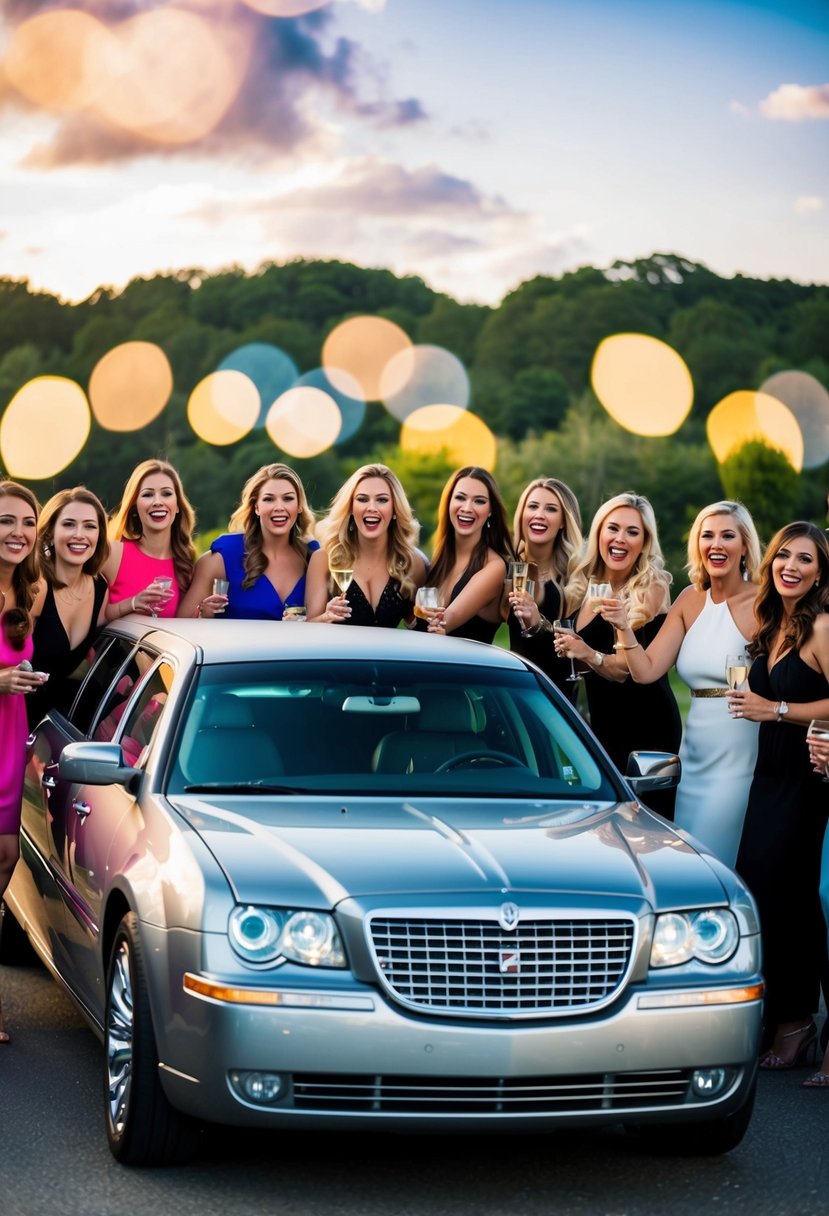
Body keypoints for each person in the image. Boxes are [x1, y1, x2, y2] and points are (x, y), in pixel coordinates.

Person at [599, 500, 761, 861]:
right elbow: (646, 670)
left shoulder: (763, 602)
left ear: (745, 546)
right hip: (694, 755)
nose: (716, 544)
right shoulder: (689, 599)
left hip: (741, 753)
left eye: (727, 536)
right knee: (689, 857)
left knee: (716, 858)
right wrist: (624, 626)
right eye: (707, 535)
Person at [729, 522, 829, 1071]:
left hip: (806, 779)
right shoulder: (776, 625)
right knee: (762, 891)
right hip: (767, 775)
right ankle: (781, 1016)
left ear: (820, 573)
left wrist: (776, 710)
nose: (791, 565)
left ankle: (797, 1023)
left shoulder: (822, 628)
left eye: (806, 560)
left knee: (791, 900)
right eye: (784, 555)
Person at [551, 492, 681, 815]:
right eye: (613, 528)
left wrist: (587, 653)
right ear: (599, 534)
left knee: (645, 824)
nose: (620, 539)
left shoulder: (652, 587)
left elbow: (624, 669)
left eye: (632, 532)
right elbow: (581, 659)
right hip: (602, 718)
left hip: (646, 722)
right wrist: (570, 650)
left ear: (644, 542)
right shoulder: (583, 585)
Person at [0, 481, 46, 1044]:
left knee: (6, 859)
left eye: (26, 522)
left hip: (11, 742)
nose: (18, 532)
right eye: (5, 521)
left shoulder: (30, 591)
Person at [179, 463, 317, 620]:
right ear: (256, 507)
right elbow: (182, 622)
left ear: (299, 506)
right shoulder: (224, 556)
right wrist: (205, 613)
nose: (279, 507)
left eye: (288, 498)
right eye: (269, 499)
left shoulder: (313, 556)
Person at [26, 488, 110, 728]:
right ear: (50, 533)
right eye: (69, 524)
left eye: (90, 526)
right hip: (12, 713)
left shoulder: (100, 587)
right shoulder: (38, 585)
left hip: (51, 725)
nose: (79, 534)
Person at [306, 464, 427, 626]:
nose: (372, 508)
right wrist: (326, 617)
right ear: (350, 508)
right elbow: (309, 627)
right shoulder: (323, 559)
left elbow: (417, 626)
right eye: (362, 499)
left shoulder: (412, 562)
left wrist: (431, 622)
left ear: (395, 510)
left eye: (382, 500)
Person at [505, 478, 582, 697]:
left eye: (551, 509)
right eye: (533, 506)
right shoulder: (510, 568)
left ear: (563, 522)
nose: (539, 514)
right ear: (522, 514)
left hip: (557, 697)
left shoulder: (577, 575)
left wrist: (539, 624)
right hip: (516, 691)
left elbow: (578, 651)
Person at [421, 467, 514, 642]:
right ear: (449, 503)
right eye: (460, 498)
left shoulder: (494, 567)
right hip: (427, 664)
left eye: (479, 501)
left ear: (490, 510)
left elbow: (444, 622)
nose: (467, 508)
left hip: (468, 668)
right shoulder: (440, 558)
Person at [102, 459, 196, 619]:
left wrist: (204, 612)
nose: (158, 502)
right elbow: (92, 619)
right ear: (134, 506)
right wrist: (133, 603)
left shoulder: (185, 563)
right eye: (147, 494)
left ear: (178, 505)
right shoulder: (113, 554)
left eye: (166, 494)